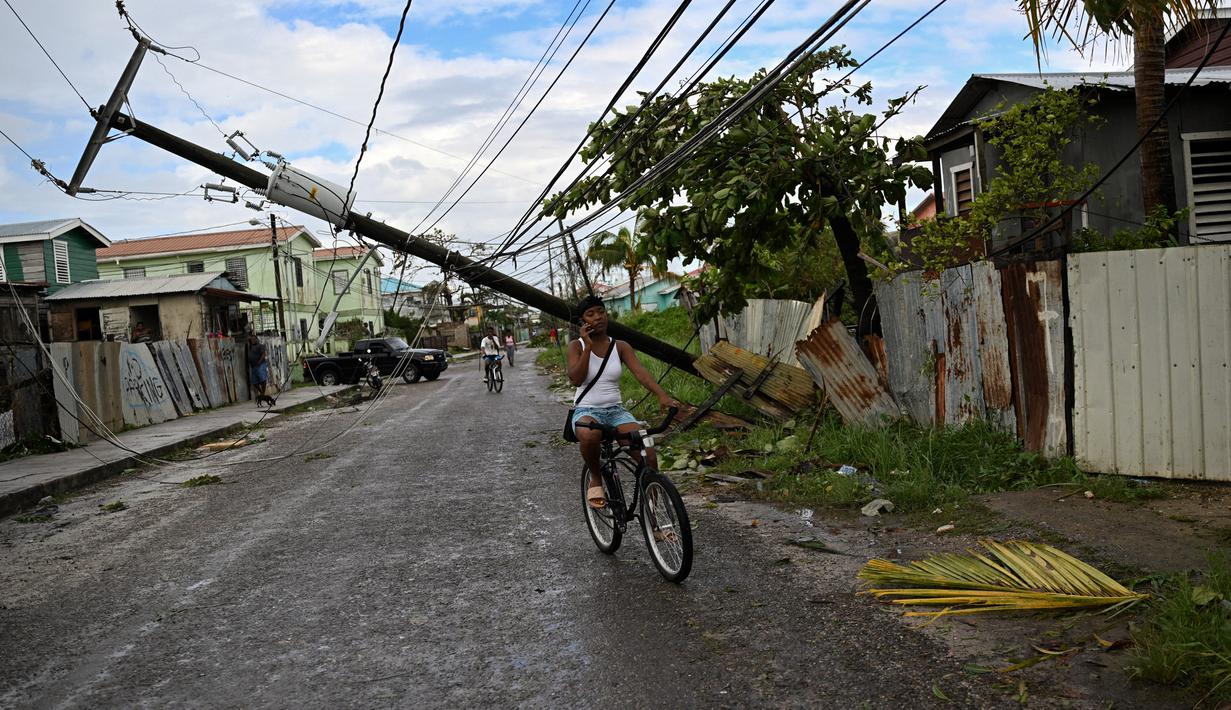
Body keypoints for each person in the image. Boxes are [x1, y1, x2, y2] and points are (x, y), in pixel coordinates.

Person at [567, 295, 678, 509]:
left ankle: (654, 517)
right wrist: (588, 347)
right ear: (583, 322)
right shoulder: (576, 346)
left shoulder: (620, 346)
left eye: (601, 311)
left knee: (648, 456)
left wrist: (662, 395)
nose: (598, 317)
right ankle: (596, 477)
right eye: (591, 314)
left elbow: (641, 373)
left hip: (617, 411)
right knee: (589, 437)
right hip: (587, 411)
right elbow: (576, 378)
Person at [247, 332, 273, 407]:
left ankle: (263, 393)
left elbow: (263, 354)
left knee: (262, 379)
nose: (252, 340)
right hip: (253, 366)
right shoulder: (250, 347)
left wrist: (259, 361)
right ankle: (261, 392)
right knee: (254, 382)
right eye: (251, 339)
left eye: (254, 339)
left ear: (256, 340)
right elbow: (248, 339)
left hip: (260, 365)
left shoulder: (260, 346)